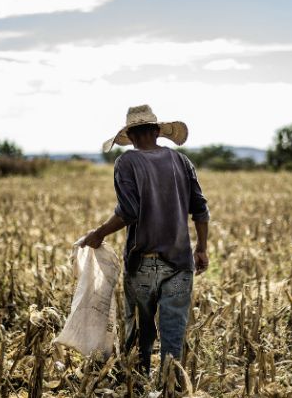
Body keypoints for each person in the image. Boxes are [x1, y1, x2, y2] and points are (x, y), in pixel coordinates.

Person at [80, 104, 210, 377]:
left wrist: (98, 234)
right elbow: (200, 208)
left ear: (132, 135)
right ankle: (171, 388)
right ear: (156, 131)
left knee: (139, 331)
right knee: (173, 331)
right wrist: (201, 248)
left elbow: (128, 211)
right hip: (179, 262)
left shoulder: (126, 163)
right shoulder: (182, 161)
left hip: (143, 263)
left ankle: (136, 386)